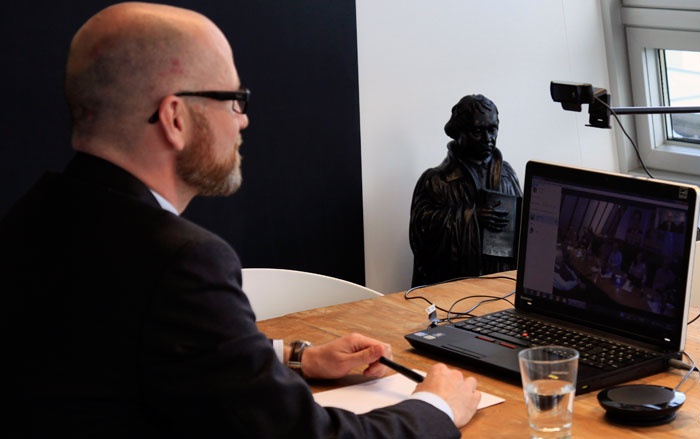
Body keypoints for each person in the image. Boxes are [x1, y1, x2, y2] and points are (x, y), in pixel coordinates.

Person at [1, 3, 480, 437]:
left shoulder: (37, 212)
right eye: (235, 99)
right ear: (175, 117)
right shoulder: (182, 264)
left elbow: (132, 349)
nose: (243, 120)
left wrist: (296, 356)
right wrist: (436, 405)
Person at [409, 94, 522, 286]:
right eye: (478, 131)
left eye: (492, 129)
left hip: (500, 289)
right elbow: (421, 237)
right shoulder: (436, 180)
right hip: (452, 295)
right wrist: (472, 216)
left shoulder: (507, 174)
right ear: (459, 133)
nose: (488, 138)